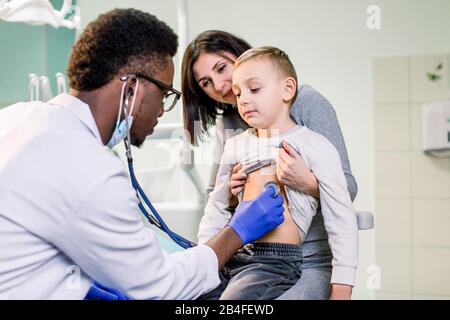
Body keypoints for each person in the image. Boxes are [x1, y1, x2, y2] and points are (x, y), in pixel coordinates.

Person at [0, 9, 285, 300]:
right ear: (133, 88)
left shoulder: (15, 118)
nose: (162, 110)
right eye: (164, 95)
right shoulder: (90, 167)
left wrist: (83, 287)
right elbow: (159, 286)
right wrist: (236, 232)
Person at [181, 30, 358, 299]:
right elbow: (216, 200)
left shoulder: (307, 108)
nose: (219, 85)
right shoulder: (231, 131)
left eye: (221, 68)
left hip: (307, 258)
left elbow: (346, 192)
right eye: (206, 82)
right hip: (240, 253)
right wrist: (232, 193)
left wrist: (305, 181)